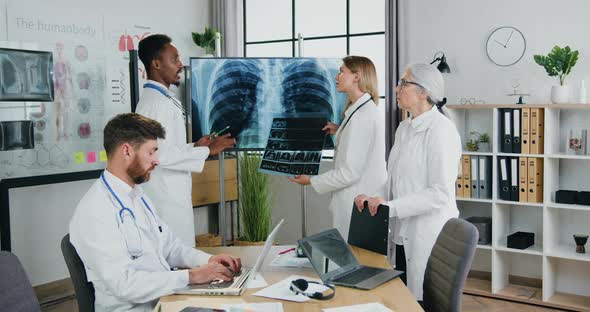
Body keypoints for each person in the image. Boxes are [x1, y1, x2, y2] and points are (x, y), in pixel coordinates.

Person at [69, 113, 241, 312]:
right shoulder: (95, 211)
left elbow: (170, 248)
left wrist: (208, 261)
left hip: (165, 301)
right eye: (151, 152)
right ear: (126, 151)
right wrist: (192, 276)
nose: (157, 161)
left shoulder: (138, 196)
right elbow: (124, 284)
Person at [354, 63, 462, 301]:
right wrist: (374, 197)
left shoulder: (441, 131)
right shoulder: (404, 128)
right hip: (402, 233)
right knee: (401, 297)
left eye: (404, 83)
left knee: (420, 300)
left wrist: (390, 208)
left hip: (427, 235)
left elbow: (439, 193)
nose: (396, 88)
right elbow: (395, 179)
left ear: (424, 92)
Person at [136, 34, 235, 246]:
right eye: (174, 60)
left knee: (180, 256)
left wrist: (196, 146)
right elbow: (157, 154)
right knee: (175, 260)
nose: (180, 65)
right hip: (165, 198)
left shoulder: (161, 99)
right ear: (156, 63)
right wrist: (207, 151)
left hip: (171, 194)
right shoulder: (155, 104)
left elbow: (167, 146)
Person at [288, 56, 387, 240]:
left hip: (357, 205)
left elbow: (349, 172)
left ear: (357, 77)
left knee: (355, 263)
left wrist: (311, 180)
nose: (336, 76)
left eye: (342, 71)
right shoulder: (360, 112)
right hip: (358, 202)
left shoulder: (361, 117)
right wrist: (340, 129)